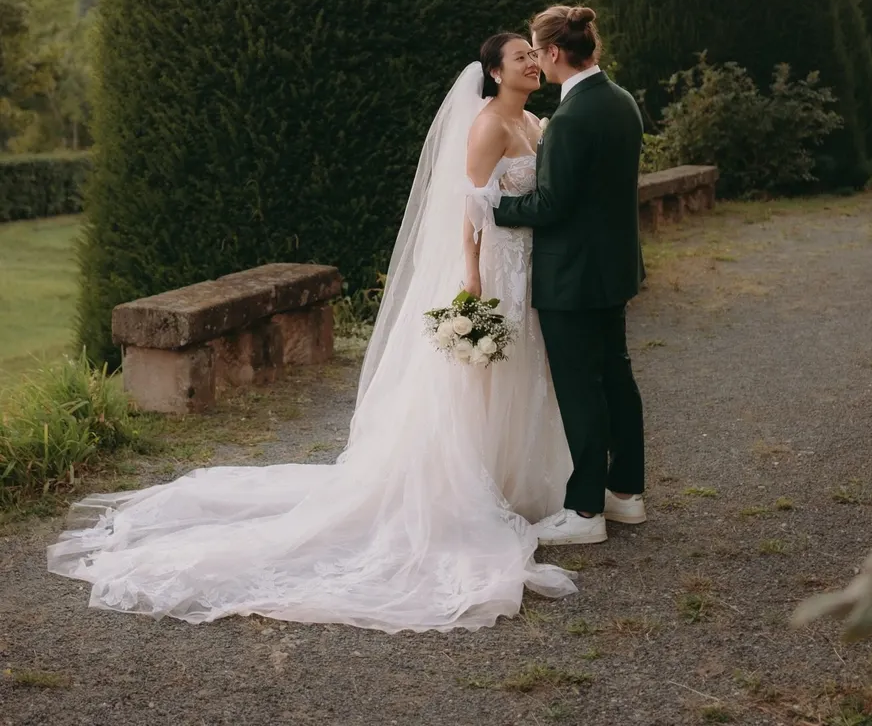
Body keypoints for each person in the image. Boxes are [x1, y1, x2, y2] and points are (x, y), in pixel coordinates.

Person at [47, 34, 575, 632]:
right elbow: (469, 206)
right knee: (479, 376)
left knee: (521, 369)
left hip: (528, 264)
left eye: (535, 56)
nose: (533, 63)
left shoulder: (533, 118)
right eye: (521, 58)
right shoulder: (486, 126)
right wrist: (474, 277)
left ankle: (520, 479)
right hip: (494, 267)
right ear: (493, 71)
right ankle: (475, 484)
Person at [494, 5, 647, 547]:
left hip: (571, 278)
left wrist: (495, 208)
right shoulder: (622, 102)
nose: (536, 60)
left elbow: (551, 203)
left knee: (580, 389)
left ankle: (584, 512)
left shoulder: (571, 118)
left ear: (554, 53)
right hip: (614, 269)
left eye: (537, 51)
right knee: (617, 379)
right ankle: (626, 494)